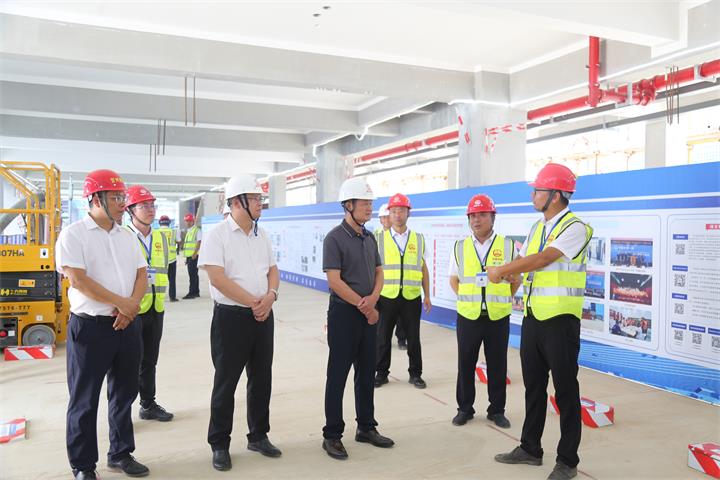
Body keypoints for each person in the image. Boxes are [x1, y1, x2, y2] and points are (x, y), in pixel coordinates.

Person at [489, 163, 593, 480]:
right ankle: (530, 448)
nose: (533, 195)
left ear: (556, 195)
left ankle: (568, 461)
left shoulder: (576, 227)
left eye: (538, 191)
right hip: (533, 317)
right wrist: (512, 277)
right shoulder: (537, 227)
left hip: (560, 320)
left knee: (565, 392)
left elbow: (545, 258)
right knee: (534, 387)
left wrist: (502, 270)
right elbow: (527, 262)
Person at [56, 169, 149, 480]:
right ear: (95, 199)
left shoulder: (127, 236)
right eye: (116, 197)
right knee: (84, 400)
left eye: (123, 197)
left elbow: (141, 274)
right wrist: (122, 303)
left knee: (124, 394)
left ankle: (121, 453)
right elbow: (78, 280)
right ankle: (83, 466)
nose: (123, 202)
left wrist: (130, 307)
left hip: (127, 326)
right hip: (90, 329)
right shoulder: (73, 235)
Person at [198, 175, 281, 472]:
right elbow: (217, 278)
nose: (260, 203)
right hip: (231, 318)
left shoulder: (262, 235)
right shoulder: (217, 235)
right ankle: (219, 443)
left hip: (263, 316)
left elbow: (273, 270)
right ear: (236, 202)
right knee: (226, 382)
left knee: (261, 378)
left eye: (260, 199)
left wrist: (270, 297)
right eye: (255, 198)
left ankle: (258, 436)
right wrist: (254, 302)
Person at [321, 177, 394, 460]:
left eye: (370, 203)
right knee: (337, 376)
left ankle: (366, 427)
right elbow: (334, 280)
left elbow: (379, 272)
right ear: (348, 205)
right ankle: (332, 435)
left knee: (366, 373)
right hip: (344, 314)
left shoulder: (369, 237)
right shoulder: (334, 238)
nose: (369, 208)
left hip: (368, 312)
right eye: (364, 203)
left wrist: (373, 299)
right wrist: (365, 306)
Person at [449, 194, 520, 429]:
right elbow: (453, 279)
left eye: (482, 215)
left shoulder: (507, 246)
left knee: (498, 364)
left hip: (497, 316)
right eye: (472, 216)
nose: (476, 220)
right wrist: (467, 300)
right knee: (465, 364)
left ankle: (496, 410)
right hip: (468, 316)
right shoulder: (460, 247)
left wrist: (504, 297)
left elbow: (516, 279)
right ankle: (464, 409)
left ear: (493, 217)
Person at [125, 186, 174, 423]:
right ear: (130, 210)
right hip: (132, 310)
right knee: (127, 364)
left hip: (156, 307)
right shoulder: (123, 237)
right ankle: (121, 412)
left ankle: (148, 405)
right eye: (144, 205)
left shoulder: (162, 238)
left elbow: (164, 269)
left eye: (152, 205)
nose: (150, 210)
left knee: (149, 361)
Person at [374, 193, 431, 389]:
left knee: (413, 338)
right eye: (394, 211)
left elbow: (423, 269)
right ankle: (381, 373)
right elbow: (372, 269)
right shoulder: (378, 238)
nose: (397, 215)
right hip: (386, 296)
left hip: (411, 297)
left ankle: (416, 374)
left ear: (408, 213)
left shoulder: (418, 239)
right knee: (382, 337)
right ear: (389, 214)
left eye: (401, 211)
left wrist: (427, 295)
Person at [374, 203, 407, 350]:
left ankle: (401, 339)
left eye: (388, 217)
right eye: (384, 217)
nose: (386, 220)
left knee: (401, 317)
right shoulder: (376, 237)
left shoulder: (402, 237)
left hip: (399, 285)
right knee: (381, 318)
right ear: (380, 220)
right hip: (382, 286)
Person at [157, 215, 179, 302]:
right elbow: (179, 241)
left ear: (160, 223)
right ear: (169, 222)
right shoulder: (173, 232)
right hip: (172, 259)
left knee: (159, 280)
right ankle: (172, 297)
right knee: (172, 279)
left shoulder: (156, 232)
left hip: (161, 260)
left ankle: (159, 297)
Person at [182, 213, 201, 299]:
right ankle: (196, 292)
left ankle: (192, 293)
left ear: (193, 221)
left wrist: (194, 254)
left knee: (192, 275)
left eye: (189, 221)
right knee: (194, 275)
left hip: (194, 256)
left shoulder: (196, 230)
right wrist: (187, 258)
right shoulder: (189, 231)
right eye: (186, 221)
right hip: (189, 256)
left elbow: (199, 242)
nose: (188, 222)